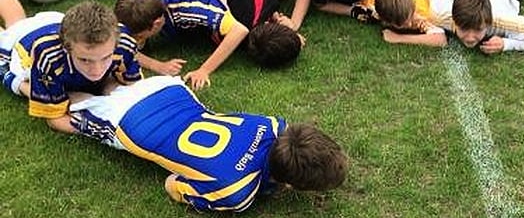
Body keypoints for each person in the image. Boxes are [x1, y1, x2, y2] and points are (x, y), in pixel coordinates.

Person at [67, 75, 348, 212]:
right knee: (67, 104)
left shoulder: (275, 125)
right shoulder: (236, 193)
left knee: (105, 83)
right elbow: (171, 184)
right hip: (130, 123)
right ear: (291, 184)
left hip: (168, 88)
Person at [115, 0, 303, 89]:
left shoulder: (193, 10)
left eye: (138, 36)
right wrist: (157, 65)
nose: (136, 41)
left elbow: (239, 30)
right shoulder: (136, 8)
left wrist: (203, 70)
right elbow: (120, 44)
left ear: (156, 24)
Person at [0, 1, 142, 134]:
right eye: (85, 60)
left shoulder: (125, 43)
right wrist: (103, 131)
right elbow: (55, 119)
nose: (97, 70)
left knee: (113, 89)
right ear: (67, 48)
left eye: (106, 58)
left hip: (54, 20)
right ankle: (10, 78)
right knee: (48, 91)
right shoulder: (48, 56)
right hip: (17, 42)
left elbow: (136, 89)